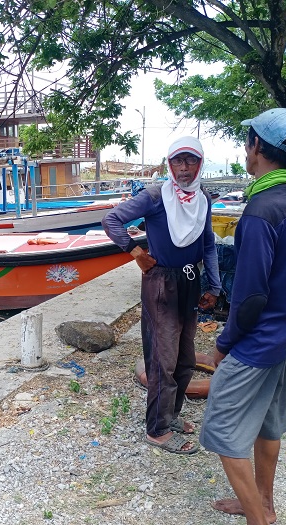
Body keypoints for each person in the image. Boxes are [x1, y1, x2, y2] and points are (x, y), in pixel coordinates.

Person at [199, 108, 286, 524]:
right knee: (268, 425)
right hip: (283, 335)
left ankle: (259, 519)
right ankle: (263, 502)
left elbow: (249, 299)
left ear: (255, 147)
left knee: (222, 433)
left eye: (247, 142)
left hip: (256, 341)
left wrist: (223, 344)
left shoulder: (261, 211)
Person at [102, 136, 221, 455]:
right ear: (169, 164)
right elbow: (111, 220)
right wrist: (135, 250)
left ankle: (171, 415)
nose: (184, 168)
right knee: (162, 359)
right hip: (161, 285)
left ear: (200, 164)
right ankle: (156, 430)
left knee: (184, 359)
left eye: (191, 161)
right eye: (178, 161)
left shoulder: (203, 199)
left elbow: (208, 244)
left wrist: (214, 285)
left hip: (190, 281)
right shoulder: (155, 196)